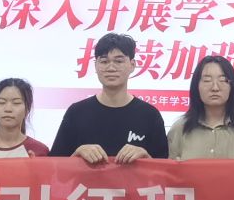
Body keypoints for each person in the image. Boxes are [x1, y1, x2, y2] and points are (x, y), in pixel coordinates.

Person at [50, 33, 169, 163]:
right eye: (104, 61)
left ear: (132, 65)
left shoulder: (150, 115)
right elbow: (54, 166)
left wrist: (146, 156)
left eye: (119, 61)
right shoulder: (76, 112)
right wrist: (77, 153)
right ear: (96, 65)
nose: (111, 68)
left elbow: (164, 169)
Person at [167, 54, 234, 159]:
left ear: (232, 86)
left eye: (222, 80)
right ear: (196, 86)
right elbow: (166, 167)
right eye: (207, 80)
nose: (215, 88)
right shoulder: (179, 129)